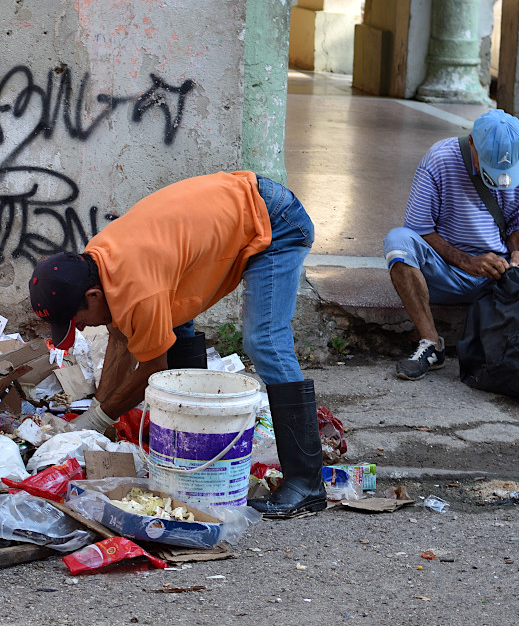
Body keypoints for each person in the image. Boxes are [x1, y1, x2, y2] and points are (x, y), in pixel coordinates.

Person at [28, 171, 325, 518]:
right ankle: (197, 446)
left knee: (265, 341)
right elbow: (122, 339)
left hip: (274, 221)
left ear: (92, 296)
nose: (80, 329)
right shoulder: (96, 262)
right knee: (170, 323)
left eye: (78, 321)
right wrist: (99, 414)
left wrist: (97, 419)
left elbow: (154, 370)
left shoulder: (139, 288)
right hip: (235, 208)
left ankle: (306, 484)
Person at [384, 109, 519, 380]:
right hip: (449, 273)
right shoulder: (439, 159)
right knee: (398, 241)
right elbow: (419, 229)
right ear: (472, 143)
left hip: (501, 275)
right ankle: (431, 342)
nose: (500, 176)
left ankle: (518, 335)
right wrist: (467, 262)